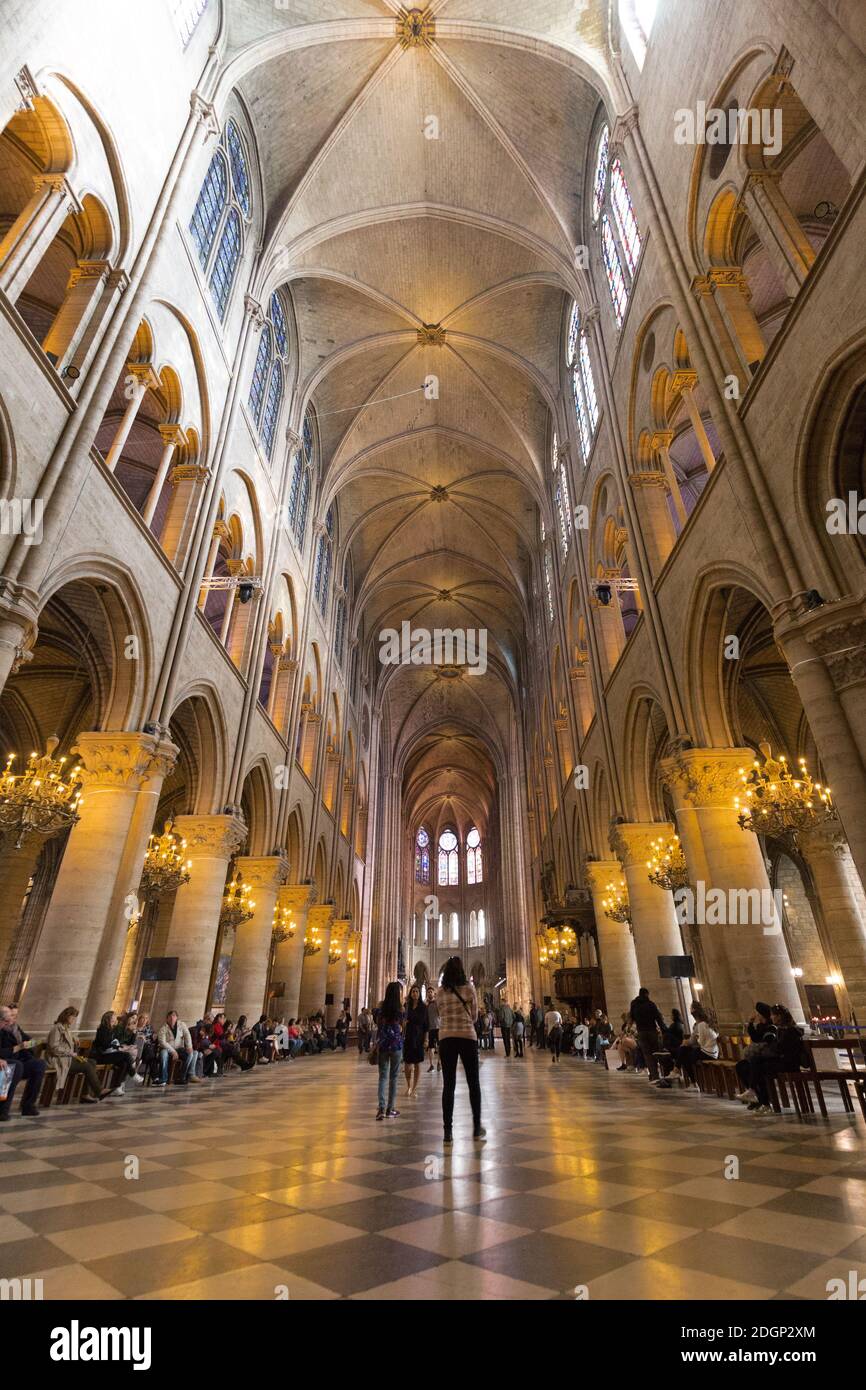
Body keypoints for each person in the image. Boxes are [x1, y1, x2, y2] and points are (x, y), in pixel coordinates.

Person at [437, 956, 484, 1144]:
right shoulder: (469, 989)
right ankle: (476, 1127)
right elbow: (474, 1016)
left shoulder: (440, 992)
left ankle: (447, 1131)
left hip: (446, 1038)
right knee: (474, 1083)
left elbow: (440, 1014)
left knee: (449, 1085)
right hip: (467, 1037)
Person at [746, 1004, 805, 1114]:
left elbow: (779, 1049)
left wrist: (768, 1050)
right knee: (756, 1063)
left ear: (779, 1016)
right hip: (783, 1061)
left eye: (773, 1015)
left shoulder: (789, 1030)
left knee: (758, 1066)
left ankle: (759, 1097)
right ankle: (757, 1095)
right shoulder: (782, 1029)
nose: (771, 1017)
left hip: (789, 1064)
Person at [44, 1006, 108, 1103]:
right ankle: (99, 1090)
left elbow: (67, 1041)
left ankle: (85, 1094)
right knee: (86, 1066)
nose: (74, 1019)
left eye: (75, 1017)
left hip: (66, 1058)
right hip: (57, 1060)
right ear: (66, 1016)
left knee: (92, 1062)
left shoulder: (66, 1028)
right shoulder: (57, 1028)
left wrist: (74, 1040)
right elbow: (54, 1048)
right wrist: (69, 1052)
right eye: (72, 1017)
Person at [0, 1003, 47, 1116]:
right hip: (9, 1060)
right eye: (12, 1016)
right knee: (15, 1066)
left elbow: (31, 1041)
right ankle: (3, 1109)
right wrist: (19, 1047)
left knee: (39, 1064)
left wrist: (36, 1042)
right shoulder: (2, 1030)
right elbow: (3, 1052)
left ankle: (28, 1105)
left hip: (21, 1059)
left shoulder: (16, 1028)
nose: (14, 1019)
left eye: (16, 1016)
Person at [735, 1002, 775, 1103]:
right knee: (741, 1066)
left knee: (755, 1066)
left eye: (757, 1013)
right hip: (759, 1056)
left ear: (762, 1014)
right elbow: (755, 1037)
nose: (756, 1014)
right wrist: (751, 1023)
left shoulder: (771, 1027)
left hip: (768, 1057)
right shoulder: (761, 1026)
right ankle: (755, 1095)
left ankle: (763, 1100)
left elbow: (768, 1043)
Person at [91, 1010, 140, 1094]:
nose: (115, 1019)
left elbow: (113, 1043)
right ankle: (133, 1073)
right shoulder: (103, 1029)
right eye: (114, 1017)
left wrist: (133, 1034)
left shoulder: (110, 1029)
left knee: (124, 1063)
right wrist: (118, 1047)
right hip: (100, 1055)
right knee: (126, 1055)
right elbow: (105, 1044)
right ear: (109, 1019)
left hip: (108, 1053)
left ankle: (117, 1087)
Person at [375, 981, 404, 1120]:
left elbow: (378, 1025)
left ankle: (380, 1108)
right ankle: (390, 1109)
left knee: (382, 1077)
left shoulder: (381, 1009)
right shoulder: (400, 1009)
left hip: (383, 1045)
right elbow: (402, 1026)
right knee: (393, 1078)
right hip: (396, 1045)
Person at [677, 1003, 719, 1086]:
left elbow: (702, 1043)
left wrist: (697, 1038)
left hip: (708, 1053)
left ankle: (693, 1081)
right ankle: (687, 1077)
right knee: (684, 1051)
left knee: (685, 1056)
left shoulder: (701, 1025)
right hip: (713, 1052)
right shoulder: (708, 1024)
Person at [629, 988, 666, 1082]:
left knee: (647, 1055)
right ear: (646, 994)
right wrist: (664, 1030)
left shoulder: (634, 1005)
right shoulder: (651, 1004)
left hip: (641, 1031)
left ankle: (654, 1075)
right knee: (655, 1052)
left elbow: (631, 1017)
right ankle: (660, 1073)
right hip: (652, 1031)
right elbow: (658, 1018)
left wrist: (631, 1028)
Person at [156, 1010, 198, 1085]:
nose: (172, 1018)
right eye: (170, 1016)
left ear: (177, 1018)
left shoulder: (182, 1025)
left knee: (190, 1054)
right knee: (163, 1054)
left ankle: (181, 1077)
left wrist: (189, 1046)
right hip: (168, 1049)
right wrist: (173, 1051)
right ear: (167, 1018)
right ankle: (163, 1079)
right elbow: (162, 1042)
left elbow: (187, 1035)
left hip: (179, 1048)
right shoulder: (163, 1028)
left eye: (174, 1016)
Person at [403, 984, 428, 1097]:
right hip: (408, 1037)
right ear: (410, 993)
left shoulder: (423, 1007)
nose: (415, 993)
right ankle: (408, 1085)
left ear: (419, 994)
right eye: (413, 991)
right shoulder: (406, 1006)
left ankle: (414, 1088)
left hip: (419, 1037)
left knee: (417, 1063)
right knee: (408, 1064)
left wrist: (426, 1039)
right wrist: (404, 1023)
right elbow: (403, 1020)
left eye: (417, 991)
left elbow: (426, 1025)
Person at [654, 1008, 686, 1087]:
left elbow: (666, 1033)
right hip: (677, 1048)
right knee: (663, 1055)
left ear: (674, 1016)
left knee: (664, 1057)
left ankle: (667, 1081)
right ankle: (666, 1079)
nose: (670, 1016)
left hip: (675, 1049)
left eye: (671, 1015)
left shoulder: (675, 1025)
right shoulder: (679, 1024)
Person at [425, 994, 440, 1072]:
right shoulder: (426, 1004)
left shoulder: (437, 1003)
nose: (430, 993)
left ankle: (439, 1063)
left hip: (438, 1027)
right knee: (430, 1048)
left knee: (439, 1047)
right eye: (428, 992)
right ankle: (431, 1065)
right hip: (430, 1029)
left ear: (433, 993)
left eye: (431, 991)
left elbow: (440, 1013)